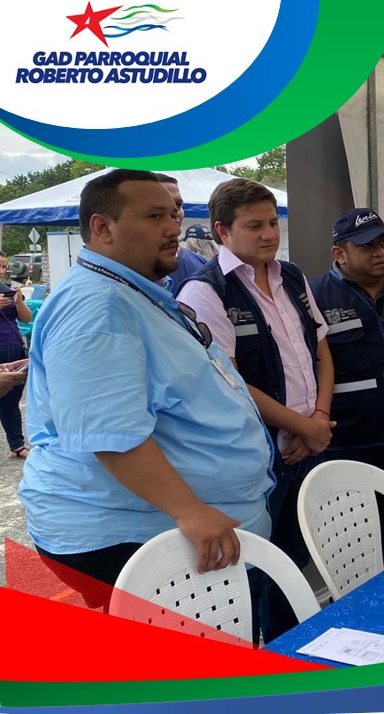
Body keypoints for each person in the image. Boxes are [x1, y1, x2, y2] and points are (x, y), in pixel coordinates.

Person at [17, 169, 274, 609]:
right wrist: (190, 511)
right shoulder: (98, 308)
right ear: (103, 227)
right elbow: (109, 435)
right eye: (155, 216)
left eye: (173, 215)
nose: (174, 228)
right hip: (136, 533)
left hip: (167, 527)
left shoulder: (128, 291)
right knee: (185, 655)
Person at [178, 178, 334, 641]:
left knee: (295, 559)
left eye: (272, 223)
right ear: (222, 231)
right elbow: (228, 382)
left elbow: (321, 350)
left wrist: (318, 420)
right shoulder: (205, 291)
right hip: (260, 454)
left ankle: (291, 651)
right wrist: (303, 426)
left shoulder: (292, 276)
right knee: (255, 573)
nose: (269, 234)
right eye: (254, 226)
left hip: (308, 443)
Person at [310, 208, 384, 567]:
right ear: (339, 253)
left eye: (381, 243)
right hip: (350, 445)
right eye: (366, 246)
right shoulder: (315, 297)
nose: (379, 252)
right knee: (351, 549)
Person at [0, 252, 33, 459]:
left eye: (4, 266)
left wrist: (19, 302)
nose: (1, 270)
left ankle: (17, 445)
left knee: (11, 400)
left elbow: (27, 319)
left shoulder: (7, 289)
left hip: (14, 347)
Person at [153, 174, 208, 293]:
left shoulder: (203, 267)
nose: (174, 213)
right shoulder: (120, 274)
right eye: (160, 207)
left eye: (178, 205)